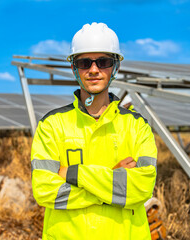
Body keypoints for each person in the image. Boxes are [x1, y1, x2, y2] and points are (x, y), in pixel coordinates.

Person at [31, 22, 157, 240]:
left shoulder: (138, 127)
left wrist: (73, 173)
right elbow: (44, 190)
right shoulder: (51, 125)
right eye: (84, 62)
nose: (94, 69)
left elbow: (141, 188)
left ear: (115, 67)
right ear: (74, 68)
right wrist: (113, 178)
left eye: (103, 61)